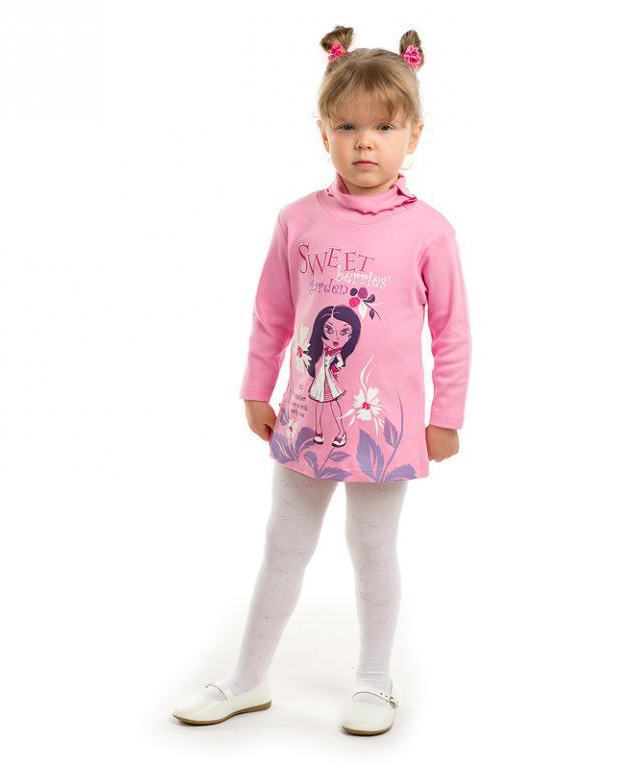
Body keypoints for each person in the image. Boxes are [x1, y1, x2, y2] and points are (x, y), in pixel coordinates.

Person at [172, 25, 472, 737]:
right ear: (323, 132)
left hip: (385, 428)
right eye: (347, 126)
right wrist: (256, 388)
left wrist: (447, 417)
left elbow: (452, 331)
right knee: (284, 546)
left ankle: (374, 681)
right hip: (304, 420)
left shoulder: (429, 231)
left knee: (372, 550)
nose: (365, 143)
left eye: (383, 127)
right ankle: (247, 678)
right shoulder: (298, 220)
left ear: (414, 135)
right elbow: (272, 313)